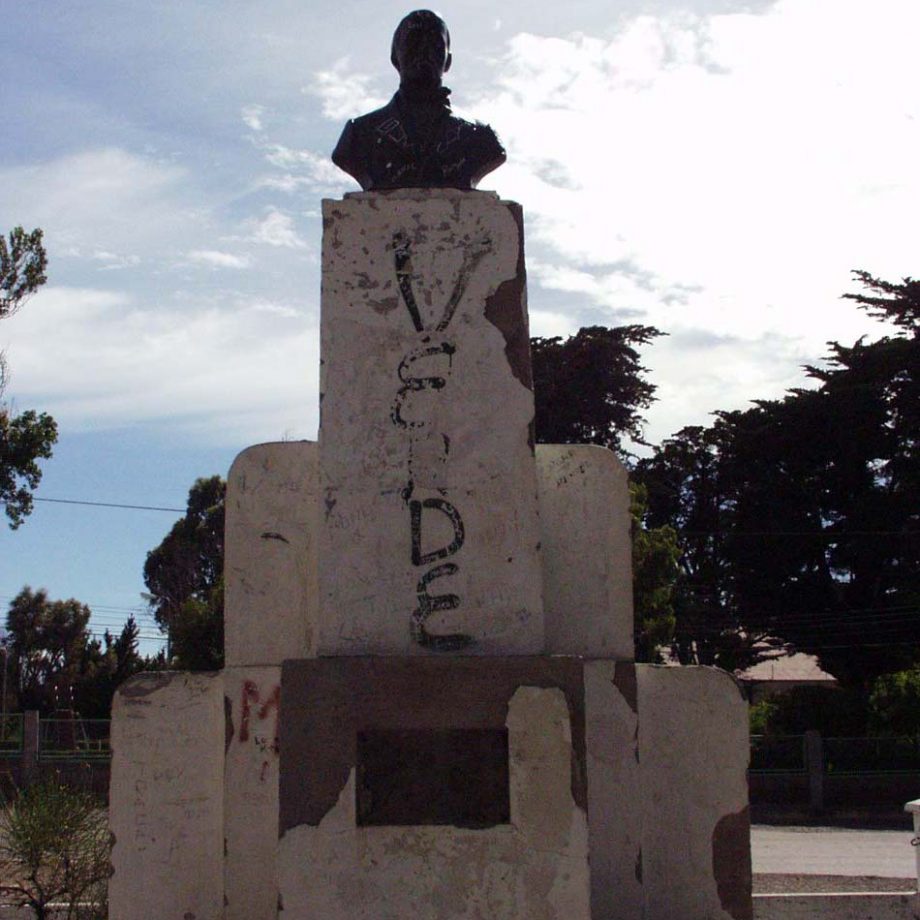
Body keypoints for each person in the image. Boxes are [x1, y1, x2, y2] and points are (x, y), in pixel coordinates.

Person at [331, 10, 506, 190]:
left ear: (448, 61)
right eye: (413, 42)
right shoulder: (359, 134)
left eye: (435, 44)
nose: (423, 51)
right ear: (394, 57)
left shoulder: (481, 137)